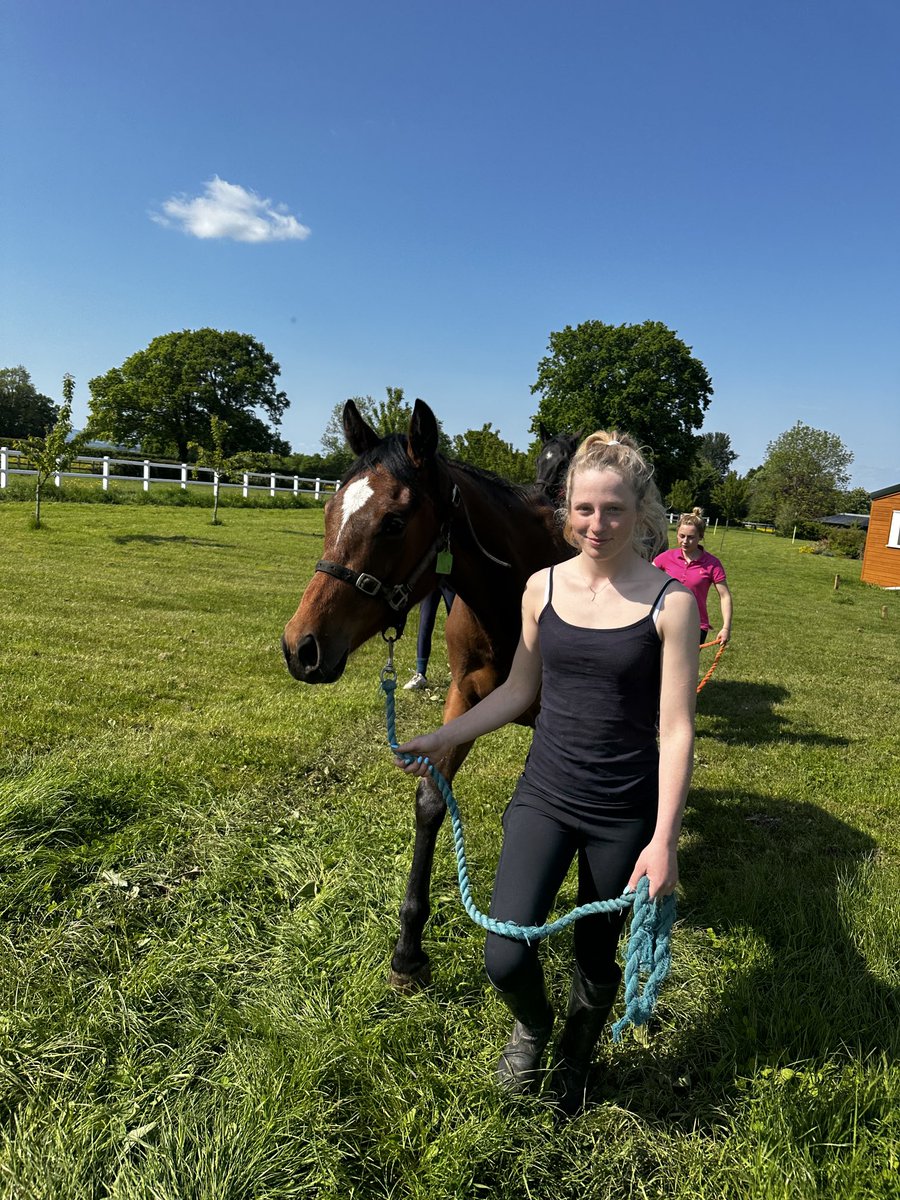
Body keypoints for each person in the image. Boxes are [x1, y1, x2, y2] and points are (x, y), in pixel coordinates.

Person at [393, 431, 699, 1116]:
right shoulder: (541, 588)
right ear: (567, 510)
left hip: (624, 809)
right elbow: (512, 692)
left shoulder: (671, 603)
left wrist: (664, 840)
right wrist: (444, 738)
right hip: (545, 796)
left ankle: (575, 1055)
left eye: (614, 510)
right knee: (505, 953)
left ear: (639, 512)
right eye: (584, 509)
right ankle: (531, 1027)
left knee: (596, 961)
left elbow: (678, 729)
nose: (597, 524)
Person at [653, 508, 733, 644]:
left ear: (701, 537)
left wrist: (726, 627)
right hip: (664, 620)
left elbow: (724, 596)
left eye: (690, 537)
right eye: (681, 536)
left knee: (683, 666)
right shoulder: (666, 557)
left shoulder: (712, 563)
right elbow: (644, 578)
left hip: (695, 625)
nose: (685, 541)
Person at [403, 582, 456, 689]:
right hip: (432, 580)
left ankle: (459, 671)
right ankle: (420, 674)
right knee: (425, 623)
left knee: (456, 626)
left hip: (451, 580)